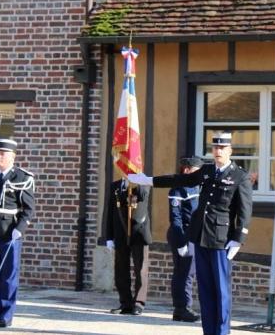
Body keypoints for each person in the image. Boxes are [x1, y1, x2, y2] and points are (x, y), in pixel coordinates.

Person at [128, 131, 253, 335]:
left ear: (230, 150)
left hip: (222, 241)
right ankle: (209, 331)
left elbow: (245, 211)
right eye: (215, 147)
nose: (218, 151)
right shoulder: (207, 171)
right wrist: (148, 180)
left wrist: (239, 239)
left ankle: (222, 332)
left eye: (222, 148)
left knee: (221, 291)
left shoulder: (240, 176)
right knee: (204, 290)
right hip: (200, 237)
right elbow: (180, 180)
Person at [0, 139, 35, 328]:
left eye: (4, 154)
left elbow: (28, 209)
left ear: (13, 156)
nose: (0, 157)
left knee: (9, 276)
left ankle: (5, 316)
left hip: (10, 233)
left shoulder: (22, 178)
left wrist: (20, 229)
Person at [105, 175, 152, 316]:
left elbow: (143, 195)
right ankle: (125, 302)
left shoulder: (143, 182)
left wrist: (136, 182)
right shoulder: (115, 186)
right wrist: (109, 236)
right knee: (120, 269)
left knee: (141, 268)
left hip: (139, 232)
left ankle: (138, 303)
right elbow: (110, 212)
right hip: (120, 233)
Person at [167, 156, 205, 323]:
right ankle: (182, 308)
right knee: (185, 272)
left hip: (195, 235)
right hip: (183, 234)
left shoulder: (199, 186)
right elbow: (175, 218)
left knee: (188, 272)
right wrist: (181, 241)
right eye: (197, 170)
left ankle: (180, 309)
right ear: (187, 170)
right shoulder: (178, 189)